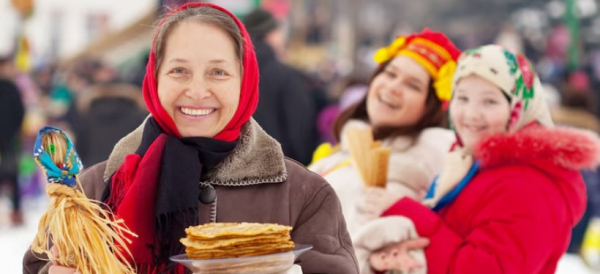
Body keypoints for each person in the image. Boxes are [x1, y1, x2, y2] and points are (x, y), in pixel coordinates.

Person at [23, 3, 358, 274]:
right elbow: (37, 264)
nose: (197, 91)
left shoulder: (304, 195)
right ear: (154, 79)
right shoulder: (92, 191)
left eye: (218, 72)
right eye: (179, 70)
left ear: (246, 83)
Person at [372, 45, 597, 274]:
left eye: (489, 101)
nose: (471, 114)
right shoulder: (472, 164)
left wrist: (410, 215)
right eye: (462, 98)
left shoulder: (527, 184)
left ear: (519, 108)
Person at [309, 29, 460, 235]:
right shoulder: (350, 147)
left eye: (413, 86)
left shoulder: (409, 171)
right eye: (390, 73)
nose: (393, 87)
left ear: (430, 107)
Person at [242, 8, 319, 166]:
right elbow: (300, 132)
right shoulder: (285, 76)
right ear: (270, 34)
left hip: (235, 174)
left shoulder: (230, 73)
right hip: (281, 173)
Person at [74, 82, 147, 167]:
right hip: (127, 168)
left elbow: (80, 149)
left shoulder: (87, 117)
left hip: (94, 168)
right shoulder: (136, 117)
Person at [0, 56, 25, 226]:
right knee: (11, 174)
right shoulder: (10, 88)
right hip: (9, 138)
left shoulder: (12, 87)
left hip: (9, 139)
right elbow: (20, 112)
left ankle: (16, 211)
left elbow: (20, 112)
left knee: (13, 175)